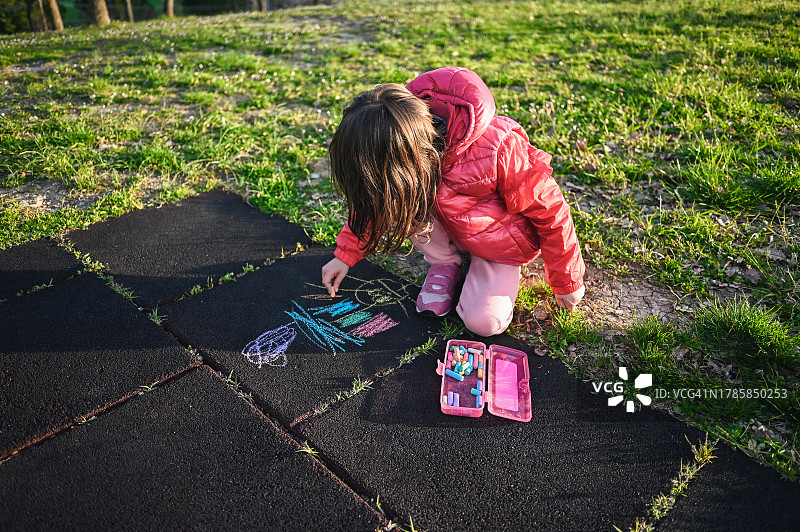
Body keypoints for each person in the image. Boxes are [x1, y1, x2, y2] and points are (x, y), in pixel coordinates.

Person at [321, 67, 585, 337]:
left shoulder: (498, 148)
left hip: (497, 245)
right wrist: (345, 256)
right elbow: (376, 201)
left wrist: (567, 280)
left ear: (407, 158)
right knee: (404, 199)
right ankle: (445, 262)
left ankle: (484, 269)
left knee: (483, 323)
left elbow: (551, 212)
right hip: (448, 225)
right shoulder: (404, 136)